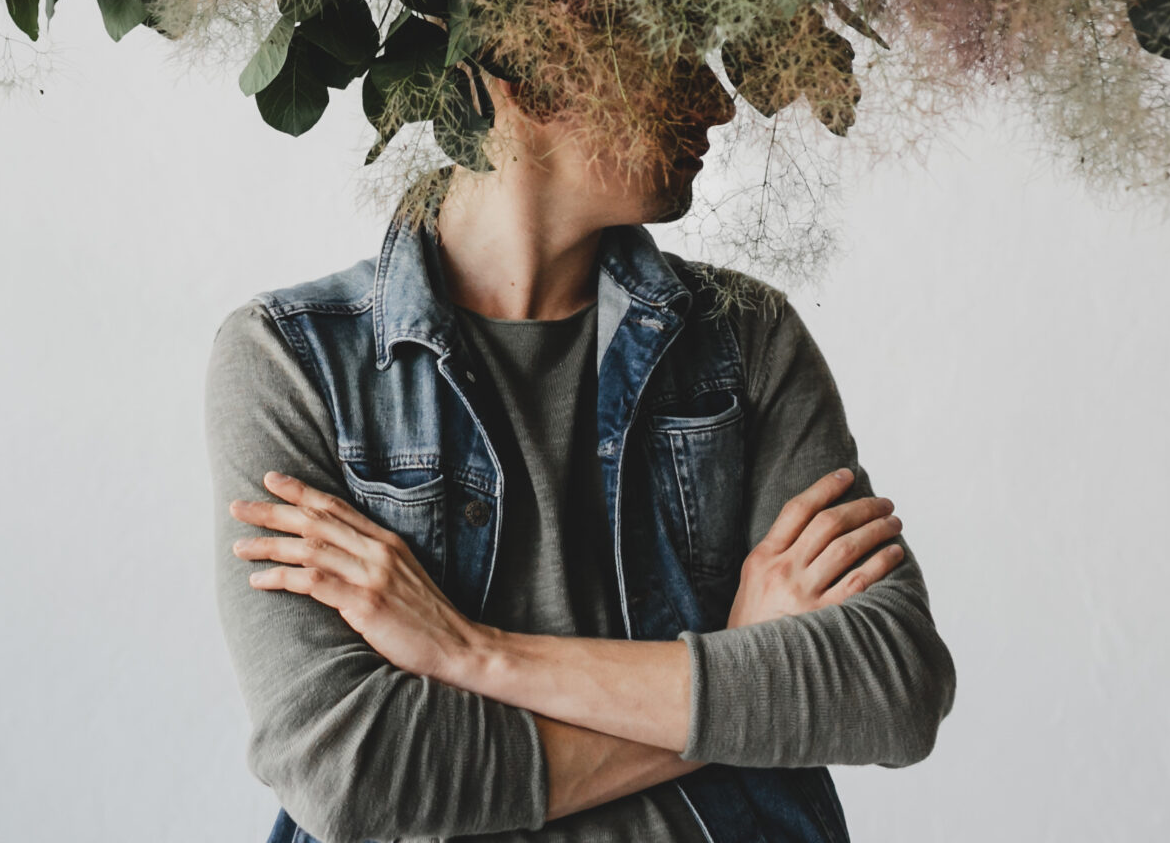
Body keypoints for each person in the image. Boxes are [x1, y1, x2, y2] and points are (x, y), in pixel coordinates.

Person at [205, 53, 956, 841]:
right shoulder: (292, 363)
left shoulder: (746, 341)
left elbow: (889, 683)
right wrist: (737, 676)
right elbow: (354, 775)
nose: (720, 104)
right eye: (673, 54)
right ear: (522, 66)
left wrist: (476, 652)